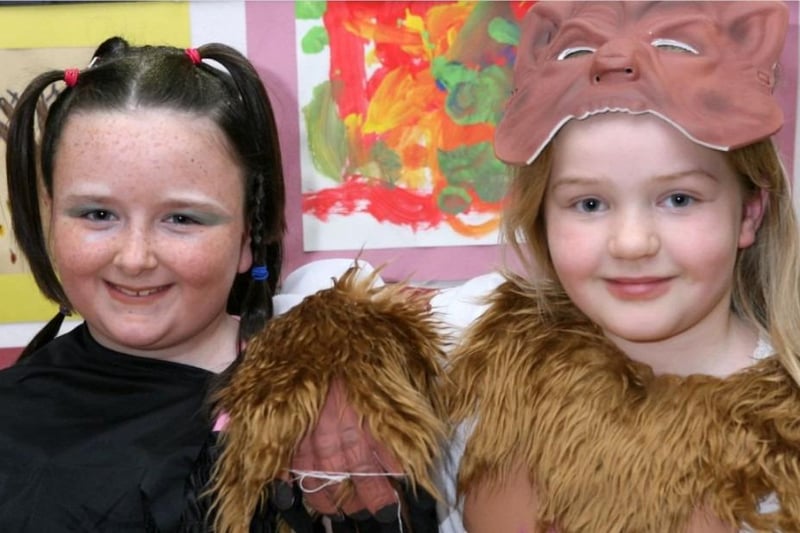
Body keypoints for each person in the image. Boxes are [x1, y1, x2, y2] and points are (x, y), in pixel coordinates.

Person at [253, 1, 800, 531]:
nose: (632, 243)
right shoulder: (488, 339)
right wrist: (334, 365)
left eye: (679, 199)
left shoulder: (785, 426)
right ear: (541, 218)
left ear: (750, 212)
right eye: (589, 204)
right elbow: (321, 294)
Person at [0, 35, 285, 532]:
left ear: (249, 234)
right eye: (98, 214)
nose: (134, 258)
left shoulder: (328, 410)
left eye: (181, 219)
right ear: (50, 217)